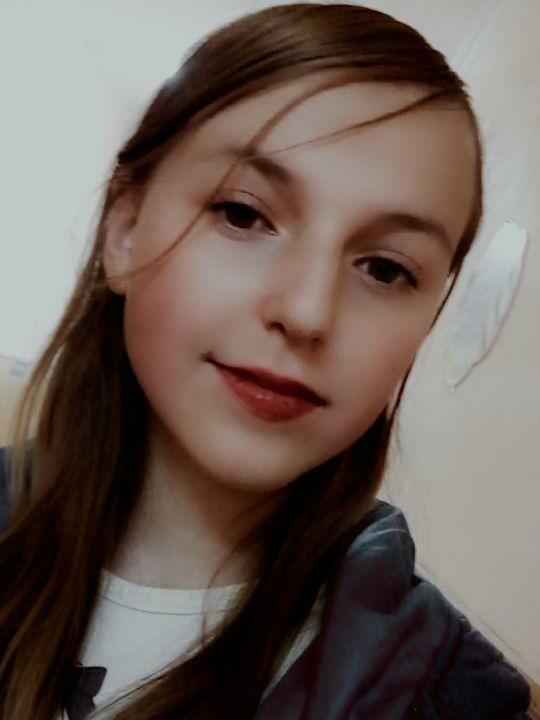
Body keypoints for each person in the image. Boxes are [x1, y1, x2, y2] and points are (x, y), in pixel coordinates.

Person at [0, 3, 533, 719]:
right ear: (124, 229)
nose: (308, 312)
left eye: (385, 268)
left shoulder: (454, 700)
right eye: (244, 215)